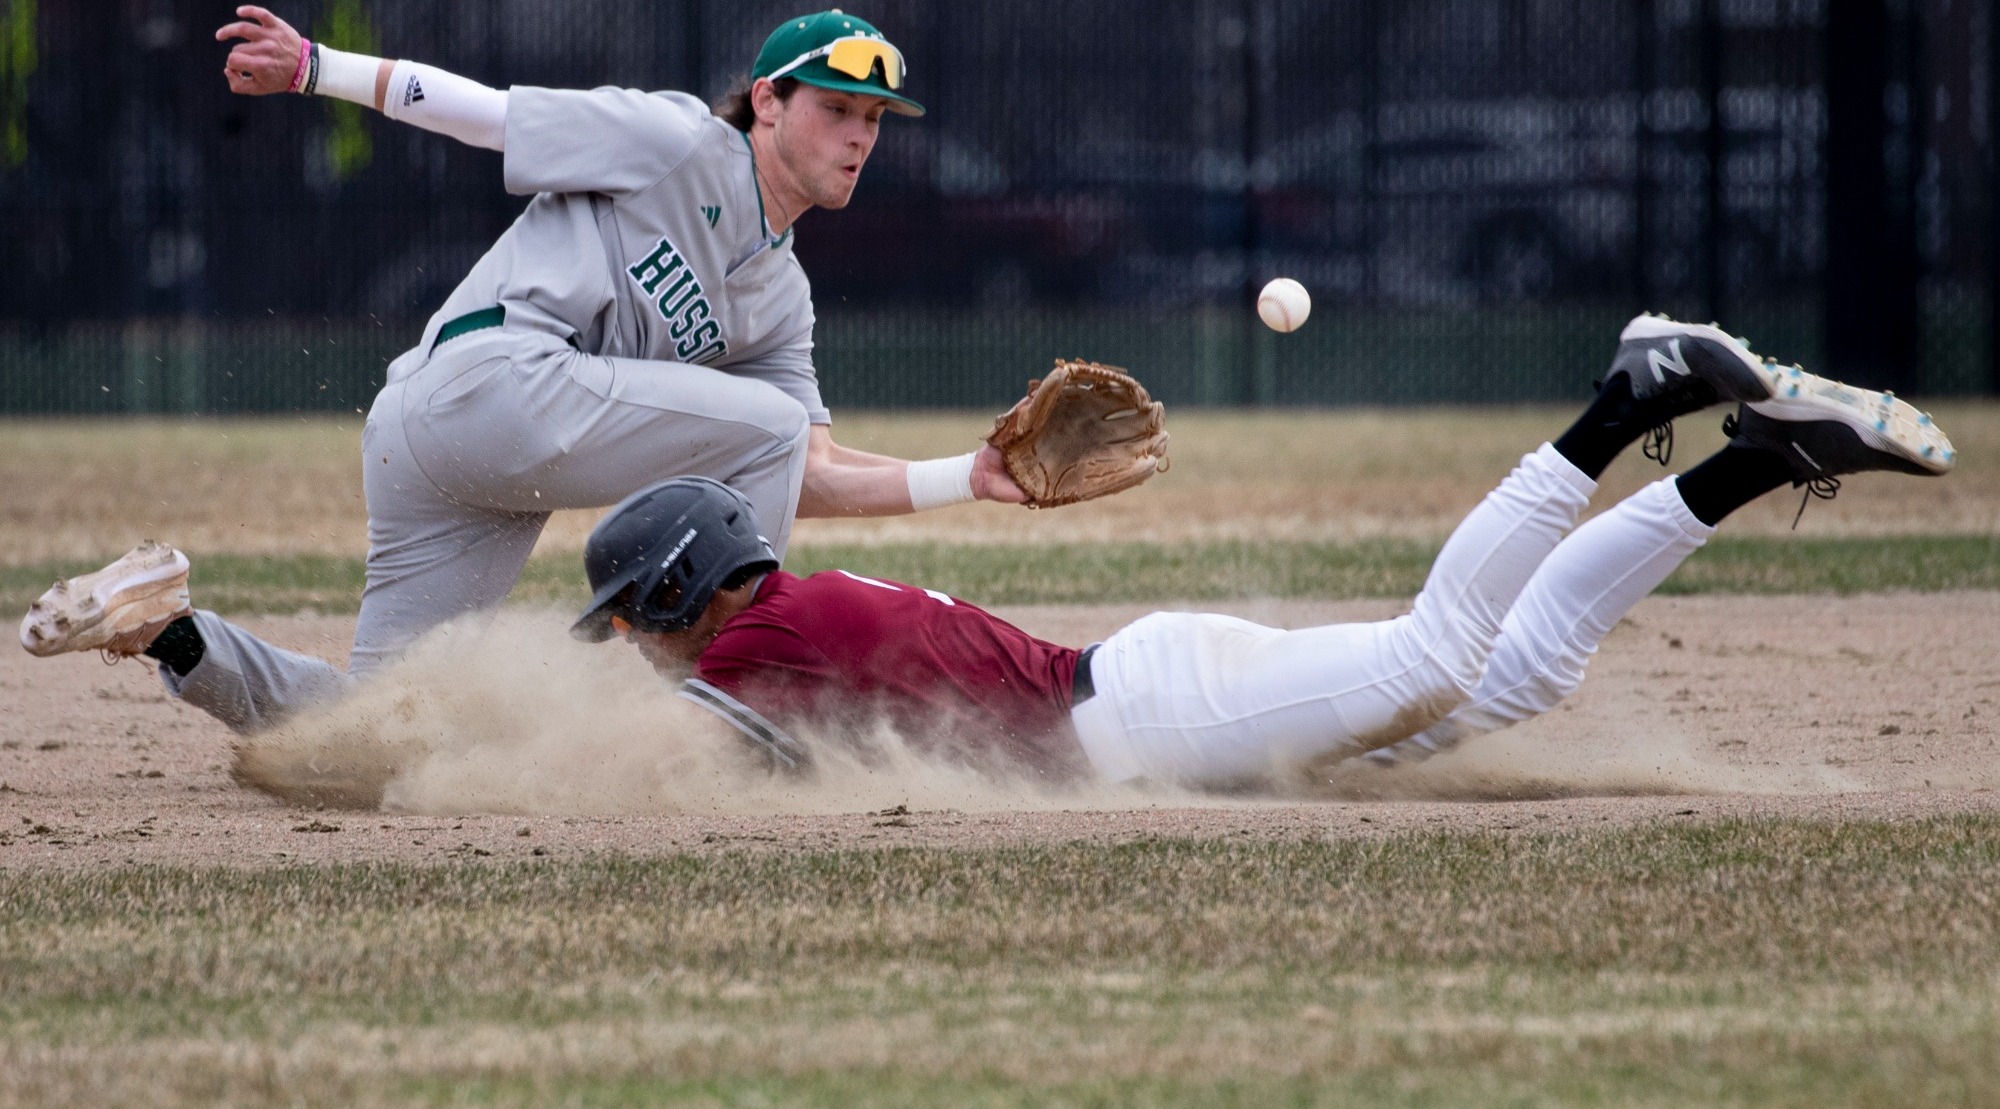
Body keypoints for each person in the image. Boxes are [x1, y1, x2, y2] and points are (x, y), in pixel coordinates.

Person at [14, 7, 1033, 732]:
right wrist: (316, 68)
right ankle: (729, 708)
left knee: (381, 734)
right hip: (481, 383)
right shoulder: (679, 140)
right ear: (767, 100)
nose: (858, 136)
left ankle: (167, 628)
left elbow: (802, 468)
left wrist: (969, 477)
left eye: (872, 122)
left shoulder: (780, 298)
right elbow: (488, 116)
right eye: (835, 108)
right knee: (758, 425)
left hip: (463, 456)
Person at [559, 316, 1956, 785]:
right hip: (1153, 695)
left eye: (633, 613)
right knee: (1512, 679)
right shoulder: (787, 617)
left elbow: (675, 750)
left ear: (685, 584)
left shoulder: (758, 638)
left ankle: (1634, 399)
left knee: (1432, 657)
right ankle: (1755, 460)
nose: (636, 636)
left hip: (1152, 715)